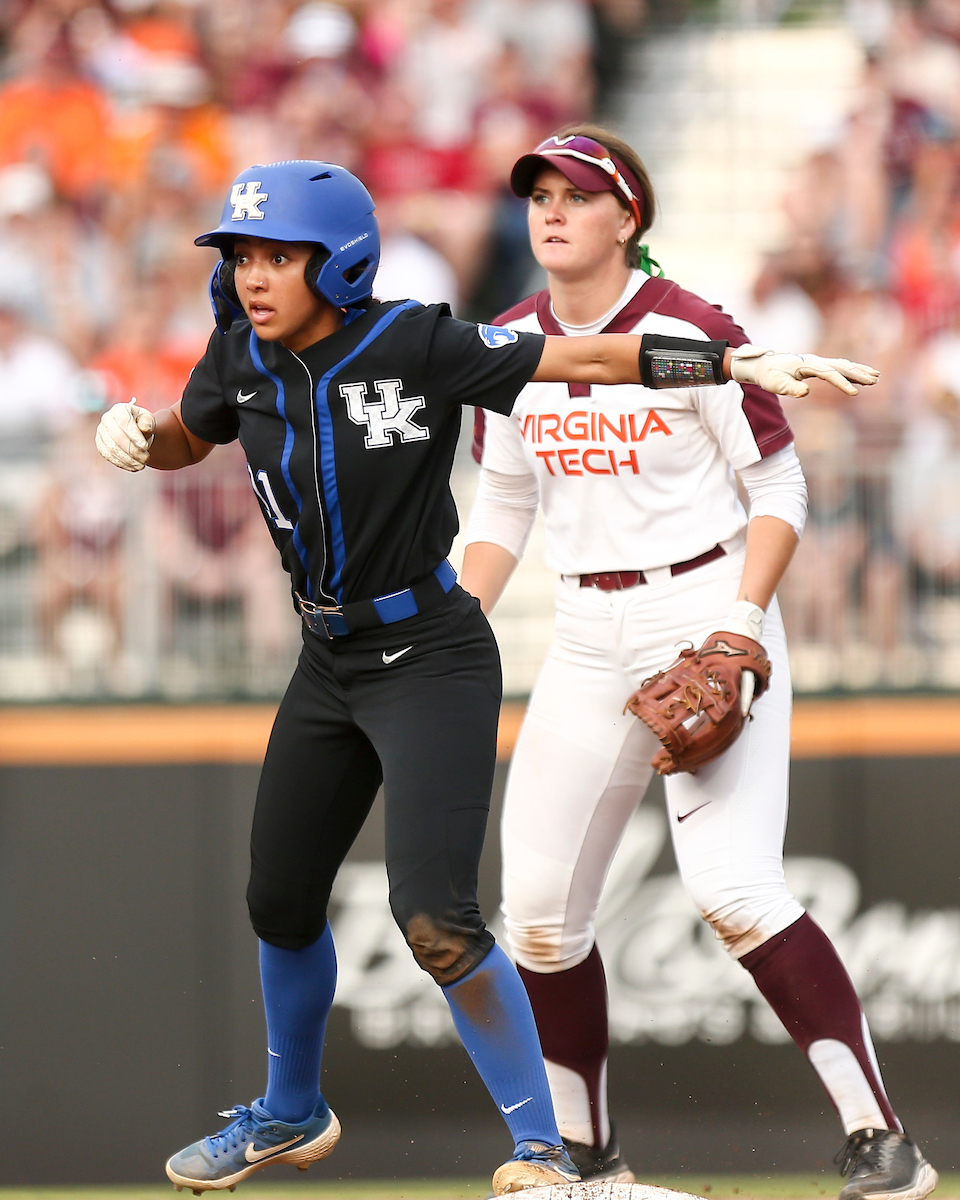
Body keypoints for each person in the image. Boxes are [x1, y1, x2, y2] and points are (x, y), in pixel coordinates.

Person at [94, 159, 878, 1196]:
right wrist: (142, 438)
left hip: (429, 656)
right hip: (328, 659)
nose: (253, 276)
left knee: (438, 919)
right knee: (277, 898)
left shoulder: (416, 340)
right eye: (241, 255)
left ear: (343, 263)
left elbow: (592, 361)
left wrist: (734, 366)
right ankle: (290, 1112)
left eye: (280, 255)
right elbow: (189, 436)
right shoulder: (240, 356)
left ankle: (544, 1152)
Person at [460, 126, 937, 1200]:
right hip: (584, 630)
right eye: (538, 192)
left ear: (628, 217)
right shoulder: (506, 342)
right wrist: (460, 612)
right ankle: (587, 1164)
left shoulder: (695, 330)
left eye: (576, 194)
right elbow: (504, 503)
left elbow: (780, 487)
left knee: (733, 888)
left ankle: (881, 1140)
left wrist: (739, 626)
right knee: (534, 912)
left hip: (704, 603)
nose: (550, 210)